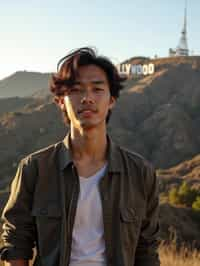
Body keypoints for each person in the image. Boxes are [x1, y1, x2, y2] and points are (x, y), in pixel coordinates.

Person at [0, 47, 160, 266]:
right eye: (76, 90)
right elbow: (17, 242)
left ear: (111, 99)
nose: (87, 98)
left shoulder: (140, 173)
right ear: (60, 101)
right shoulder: (35, 169)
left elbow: (147, 251)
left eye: (97, 89)